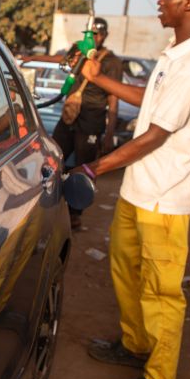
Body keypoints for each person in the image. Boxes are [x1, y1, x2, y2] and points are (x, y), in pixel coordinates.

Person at [75, 0, 190, 379]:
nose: (159, 1)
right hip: (139, 190)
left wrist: (92, 167)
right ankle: (135, 344)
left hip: (166, 199)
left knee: (161, 293)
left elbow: (156, 135)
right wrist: (99, 78)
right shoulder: (174, 53)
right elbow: (150, 99)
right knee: (124, 268)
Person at [52, 17, 122, 230]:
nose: (95, 38)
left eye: (98, 34)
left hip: (92, 121)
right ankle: (52, 203)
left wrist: (109, 133)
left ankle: (75, 214)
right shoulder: (79, 51)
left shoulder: (112, 62)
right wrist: (29, 58)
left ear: (105, 36)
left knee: (85, 167)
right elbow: (60, 60)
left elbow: (113, 98)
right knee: (53, 158)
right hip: (69, 118)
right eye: (91, 34)